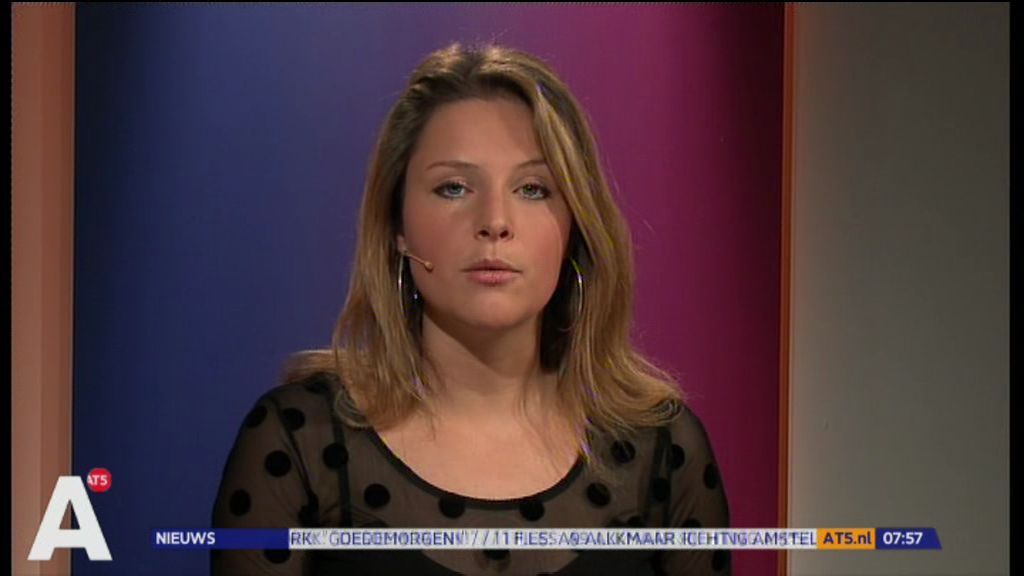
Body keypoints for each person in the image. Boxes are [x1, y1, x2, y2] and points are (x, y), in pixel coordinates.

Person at [211, 41, 730, 575]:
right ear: (397, 227)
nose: (495, 221)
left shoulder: (663, 451)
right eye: (454, 187)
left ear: (575, 226)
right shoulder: (299, 439)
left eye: (533, 189)